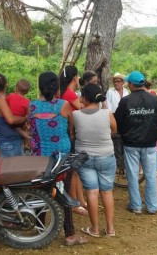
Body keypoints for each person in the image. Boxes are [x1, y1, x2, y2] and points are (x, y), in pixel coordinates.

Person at [28, 71, 87, 246]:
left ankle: (39, 229)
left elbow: (31, 127)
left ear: (40, 86)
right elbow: (70, 129)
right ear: (56, 87)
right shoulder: (65, 105)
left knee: (40, 193)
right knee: (65, 194)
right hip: (61, 157)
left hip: (39, 157)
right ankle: (69, 235)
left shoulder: (32, 106)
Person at [114, 71, 157, 215]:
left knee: (132, 175)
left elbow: (119, 122)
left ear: (130, 84)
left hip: (131, 144)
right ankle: (153, 206)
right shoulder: (155, 100)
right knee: (150, 175)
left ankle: (136, 206)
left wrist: (125, 134)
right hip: (149, 143)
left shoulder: (126, 101)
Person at [73, 83, 117, 238]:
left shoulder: (76, 115)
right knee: (107, 192)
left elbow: (73, 134)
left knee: (92, 193)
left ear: (83, 97)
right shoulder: (107, 113)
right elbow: (114, 130)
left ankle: (95, 229)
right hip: (106, 156)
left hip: (85, 158)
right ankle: (110, 229)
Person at [58, 65, 87, 214]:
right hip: (72, 133)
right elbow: (83, 109)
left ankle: (80, 200)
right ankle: (76, 203)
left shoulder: (64, 92)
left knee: (75, 170)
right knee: (74, 170)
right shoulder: (70, 94)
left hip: (68, 133)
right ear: (74, 77)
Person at [0, 73, 26, 157]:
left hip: (6, 143)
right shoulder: (0, 101)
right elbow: (10, 120)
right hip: (10, 143)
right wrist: (25, 118)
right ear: (5, 85)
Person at [145, 81, 157, 177]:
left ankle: (141, 169)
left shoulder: (140, 96)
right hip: (153, 126)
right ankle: (155, 169)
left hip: (144, 126)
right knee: (154, 148)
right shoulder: (154, 94)